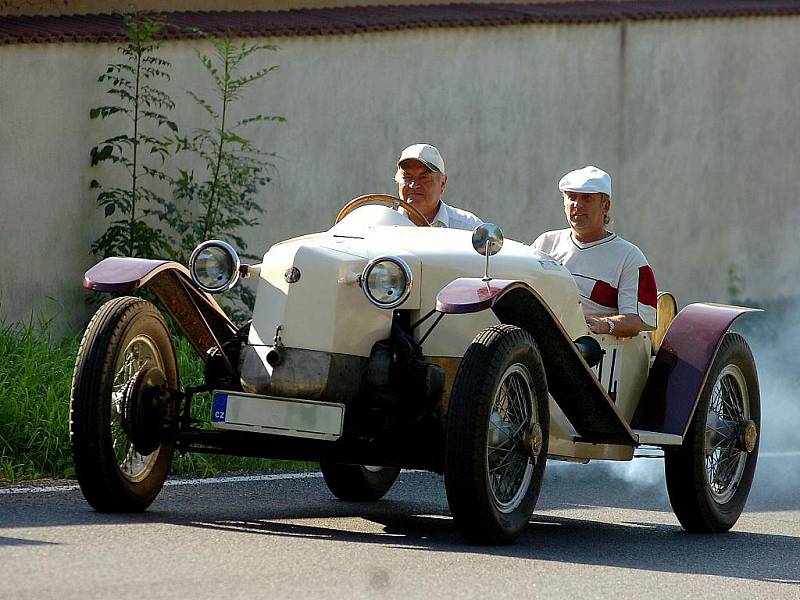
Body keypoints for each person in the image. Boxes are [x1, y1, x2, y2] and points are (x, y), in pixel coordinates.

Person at [532, 165, 657, 337]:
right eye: (572, 197)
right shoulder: (545, 243)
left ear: (605, 206)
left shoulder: (629, 257)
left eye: (587, 198)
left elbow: (637, 321)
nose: (577, 205)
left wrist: (604, 324)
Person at [395, 143, 483, 230]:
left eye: (424, 177)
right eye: (407, 177)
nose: (413, 185)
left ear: (442, 183)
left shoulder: (468, 229)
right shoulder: (384, 225)